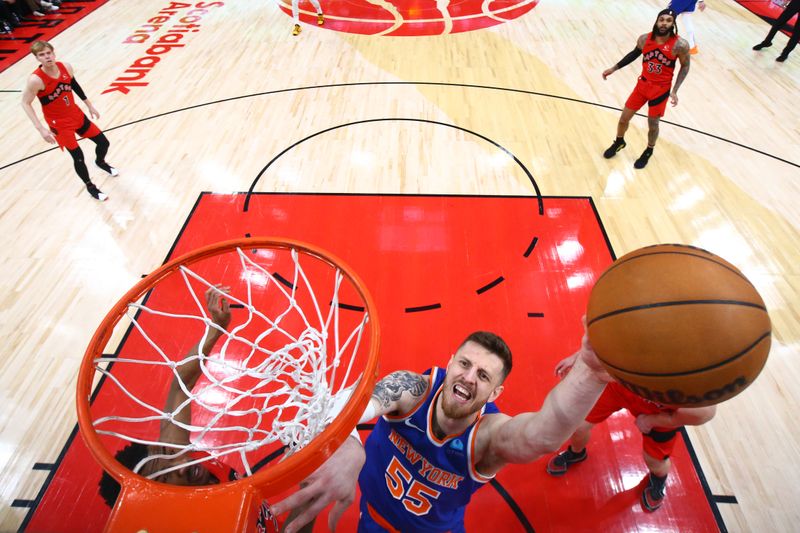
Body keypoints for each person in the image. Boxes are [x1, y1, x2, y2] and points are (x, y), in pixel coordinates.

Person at [271, 325, 613, 533]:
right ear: (450, 363)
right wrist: (348, 443)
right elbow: (345, 403)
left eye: (483, 375)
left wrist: (592, 371)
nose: (468, 376)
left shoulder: (488, 438)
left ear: (495, 393)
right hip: (372, 516)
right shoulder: (411, 391)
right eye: (464, 364)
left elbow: (543, 436)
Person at [98, 286, 234, 507]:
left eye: (170, 453)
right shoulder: (208, 517)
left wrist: (217, 327)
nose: (182, 464)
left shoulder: (172, 454)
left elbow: (180, 385)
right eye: (166, 476)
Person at [545, 353, 716, 512]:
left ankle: (658, 479)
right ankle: (576, 453)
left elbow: (698, 414)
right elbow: (603, 337)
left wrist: (653, 421)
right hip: (620, 388)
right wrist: (580, 357)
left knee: (655, 461)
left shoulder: (698, 385)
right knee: (579, 427)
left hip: (660, 413)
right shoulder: (643, 330)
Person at [21, 40, 118, 202]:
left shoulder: (65, 67)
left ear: (53, 53)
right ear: (37, 58)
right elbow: (25, 103)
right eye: (42, 55)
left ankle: (100, 162)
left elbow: (74, 85)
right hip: (59, 123)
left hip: (76, 114)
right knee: (78, 156)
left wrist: (89, 105)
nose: (47, 57)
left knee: (103, 143)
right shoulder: (36, 80)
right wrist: (41, 129)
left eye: (48, 53)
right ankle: (90, 186)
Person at [601, 9, 691, 169]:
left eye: (668, 20)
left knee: (653, 125)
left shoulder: (680, 44)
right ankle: (619, 142)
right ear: (656, 21)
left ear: (673, 23)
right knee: (623, 119)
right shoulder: (644, 39)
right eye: (661, 19)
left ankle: (649, 150)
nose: (664, 23)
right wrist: (613, 68)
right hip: (642, 85)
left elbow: (685, 67)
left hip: (660, 90)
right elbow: (634, 54)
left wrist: (675, 90)